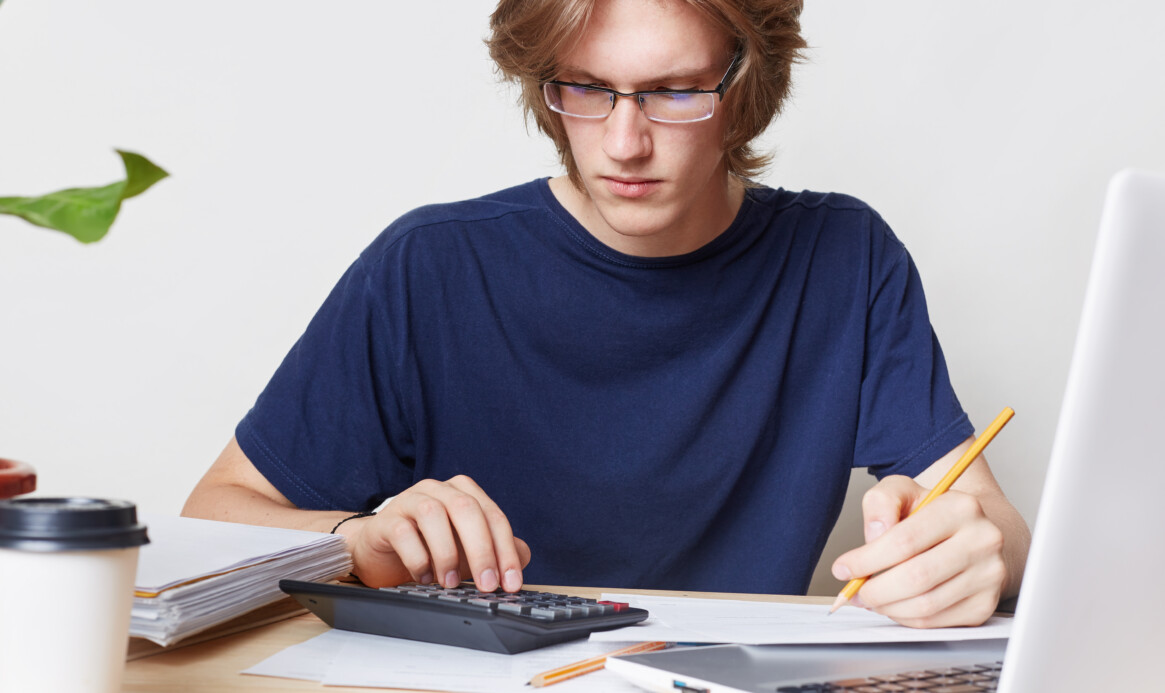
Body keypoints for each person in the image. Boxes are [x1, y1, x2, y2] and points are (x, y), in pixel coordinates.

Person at [183, 0, 1030, 629]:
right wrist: (354, 537)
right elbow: (213, 513)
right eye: (586, 89)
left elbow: (994, 524)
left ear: (747, 85)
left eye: (672, 92)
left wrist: (977, 556)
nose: (624, 143)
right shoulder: (429, 265)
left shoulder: (844, 257)